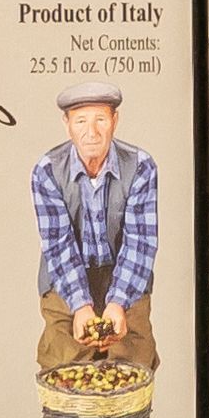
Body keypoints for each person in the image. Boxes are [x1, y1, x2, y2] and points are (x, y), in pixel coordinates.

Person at [27, 84, 160, 382]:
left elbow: (140, 243)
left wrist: (117, 303)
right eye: (81, 121)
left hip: (126, 276)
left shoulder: (141, 166)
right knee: (64, 366)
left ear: (115, 120)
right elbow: (58, 246)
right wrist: (81, 307)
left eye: (100, 119)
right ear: (67, 125)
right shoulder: (46, 171)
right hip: (65, 280)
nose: (92, 132)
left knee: (134, 366)